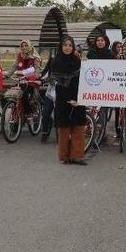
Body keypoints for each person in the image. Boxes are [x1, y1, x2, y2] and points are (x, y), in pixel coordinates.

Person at [50, 35, 87, 165]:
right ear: (61, 46)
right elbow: (56, 83)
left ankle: (77, 156)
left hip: (78, 97)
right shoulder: (56, 61)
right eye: (65, 45)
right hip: (62, 99)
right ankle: (65, 157)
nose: (67, 47)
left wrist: (77, 98)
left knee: (78, 128)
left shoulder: (78, 61)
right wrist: (68, 100)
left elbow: (83, 80)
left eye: (70, 45)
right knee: (64, 129)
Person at [13, 39, 41, 113]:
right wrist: (6, 75)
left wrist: (35, 75)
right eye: (22, 46)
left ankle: (29, 114)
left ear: (29, 46)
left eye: (26, 45)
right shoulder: (20, 55)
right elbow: (14, 66)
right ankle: (16, 116)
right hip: (21, 81)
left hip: (31, 82)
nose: (24, 47)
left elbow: (37, 70)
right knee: (9, 96)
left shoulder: (35, 57)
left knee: (24, 95)